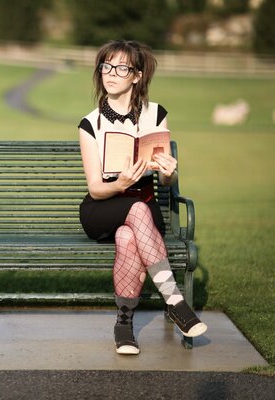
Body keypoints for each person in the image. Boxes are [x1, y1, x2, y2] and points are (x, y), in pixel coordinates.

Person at [78, 40, 207, 355]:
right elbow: (95, 187)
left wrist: (169, 172)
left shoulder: (155, 114)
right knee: (133, 210)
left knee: (127, 235)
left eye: (121, 68)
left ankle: (124, 324)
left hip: (144, 213)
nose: (111, 73)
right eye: (106, 66)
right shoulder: (90, 123)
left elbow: (164, 179)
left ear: (136, 75)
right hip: (103, 206)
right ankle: (175, 301)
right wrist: (120, 183)